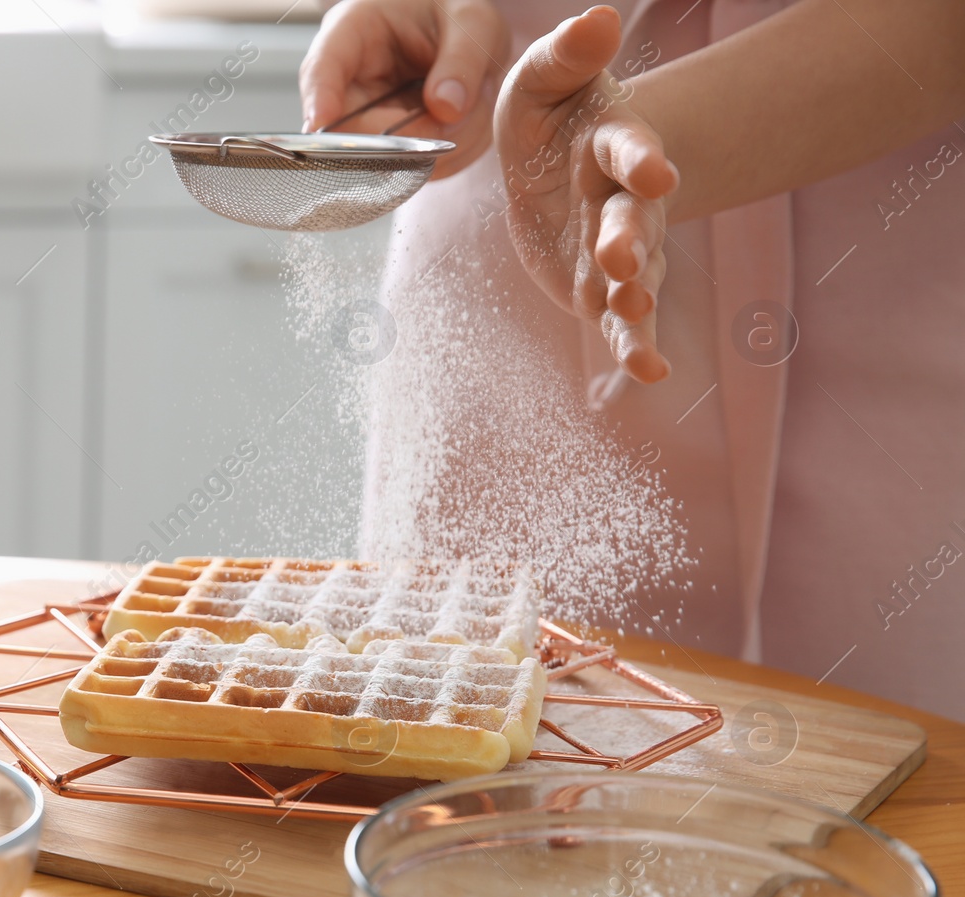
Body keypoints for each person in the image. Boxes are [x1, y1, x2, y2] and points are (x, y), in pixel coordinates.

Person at [299, 0, 965, 717]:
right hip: (508, 262)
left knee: (894, 779)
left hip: (877, 315)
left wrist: (641, 130)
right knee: (443, 748)